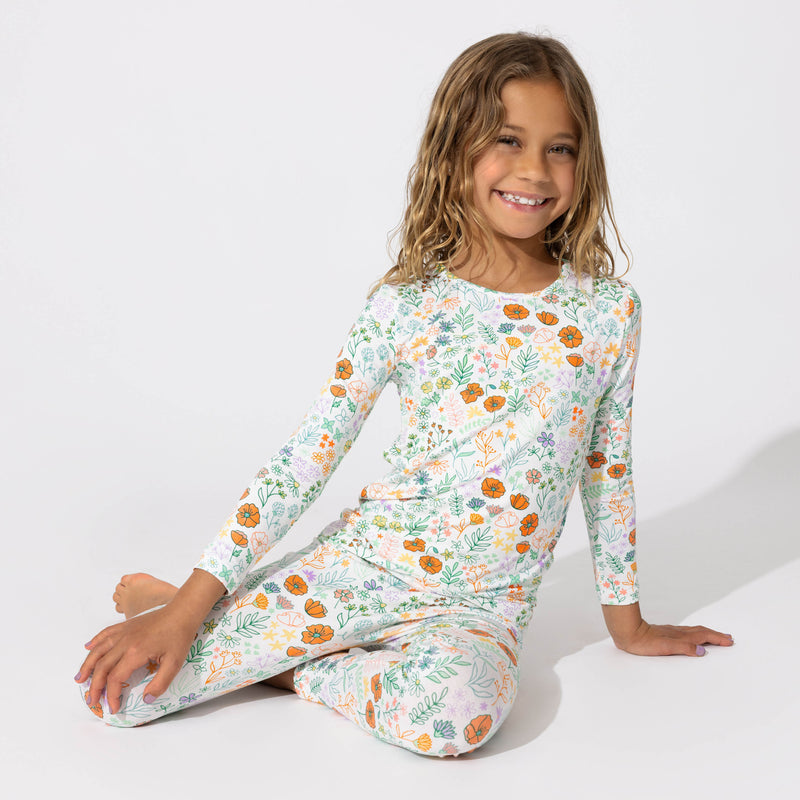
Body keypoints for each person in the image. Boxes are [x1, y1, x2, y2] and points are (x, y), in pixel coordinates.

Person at [75, 32, 733, 756]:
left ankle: (284, 662)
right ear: (455, 150)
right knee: (125, 697)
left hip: (481, 607)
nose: (534, 170)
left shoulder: (608, 311)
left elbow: (607, 470)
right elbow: (306, 459)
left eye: (560, 148)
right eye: (507, 140)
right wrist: (190, 608)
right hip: (366, 567)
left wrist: (628, 627)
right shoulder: (406, 305)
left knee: (454, 720)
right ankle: (197, 607)